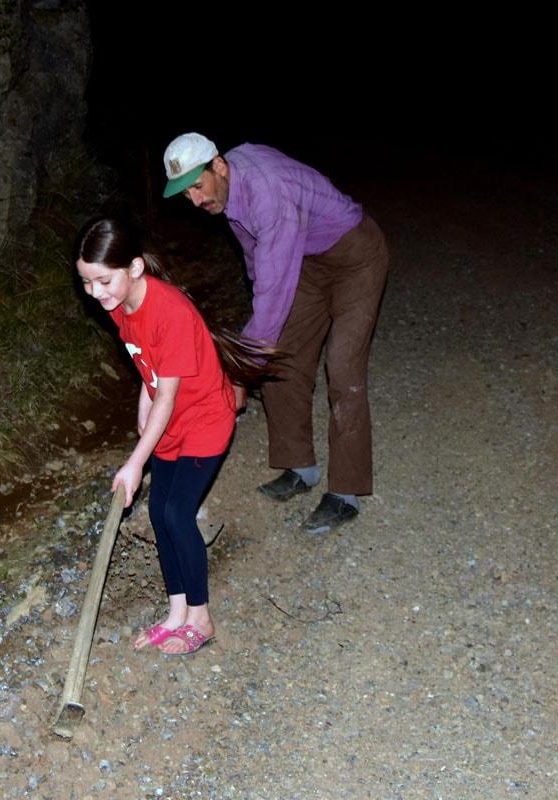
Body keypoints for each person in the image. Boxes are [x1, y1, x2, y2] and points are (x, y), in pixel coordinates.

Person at [162, 132, 389, 534]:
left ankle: (347, 493)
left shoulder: (267, 191)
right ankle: (300, 467)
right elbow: (257, 262)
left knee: (342, 363)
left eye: (197, 187)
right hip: (306, 260)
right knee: (284, 356)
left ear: (218, 166)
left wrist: (238, 368)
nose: (195, 201)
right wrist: (257, 351)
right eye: (185, 195)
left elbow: (274, 288)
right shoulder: (230, 194)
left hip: (354, 256)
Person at [75, 216, 271, 655]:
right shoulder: (122, 309)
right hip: (172, 420)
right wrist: (142, 417)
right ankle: (176, 612)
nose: (95, 293)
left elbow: (168, 394)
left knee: (179, 513)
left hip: (203, 418)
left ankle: (201, 618)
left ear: (136, 268)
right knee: (159, 513)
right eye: (86, 283)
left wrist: (135, 460)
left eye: (103, 281)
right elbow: (150, 375)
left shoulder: (171, 313)